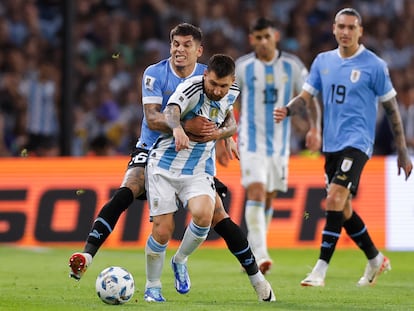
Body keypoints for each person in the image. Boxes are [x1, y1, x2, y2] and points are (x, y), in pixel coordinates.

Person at [68, 23, 275, 302]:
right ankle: (87, 255)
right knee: (129, 188)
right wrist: (185, 127)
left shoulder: (210, 76)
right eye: (175, 44)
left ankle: (256, 279)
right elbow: (153, 118)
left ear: (198, 50)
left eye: (186, 44)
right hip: (153, 146)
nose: (179, 49)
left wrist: (226, 138)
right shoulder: (155, 73)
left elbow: (225, 114)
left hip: (194, 155)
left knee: (217, 215)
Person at [274, 7, 413, 287]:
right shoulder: (323, 61)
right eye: (341, 27)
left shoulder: (374, 66)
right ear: (334, 29)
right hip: (331, 145)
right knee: (344, 208)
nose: (346, 32)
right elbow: (306, 95)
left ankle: (320, 270)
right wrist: (288, 110)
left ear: (360, 31)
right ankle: (375, 258)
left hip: (358, 143)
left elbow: (392, 109)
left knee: (335, 198)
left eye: (352, 27)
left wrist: (401, 151)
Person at [235, 17, 318, 274]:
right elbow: (230, 102)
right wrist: (227, 136)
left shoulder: (291, 66)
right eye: (257, 38)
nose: (262, 42)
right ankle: (260, 254)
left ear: (276, 36)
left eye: (266, 37)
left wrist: (315, 127)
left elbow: (308, 96)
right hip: (250, 142)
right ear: (251, 39)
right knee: (257, 191)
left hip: (280, 147)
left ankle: (252, 250)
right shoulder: (242, 67)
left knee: (269, 197)